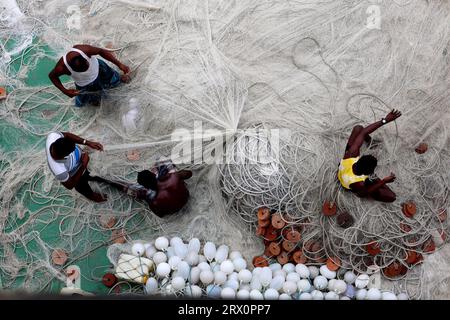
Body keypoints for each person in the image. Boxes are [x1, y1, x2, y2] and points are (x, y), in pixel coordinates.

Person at [338, 109, 402, 203]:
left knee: (358, 129)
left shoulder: (352, 154)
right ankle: (377, 181)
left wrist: (385, 120)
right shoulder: (359, 183)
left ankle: (372, 143)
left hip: (345, 169)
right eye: (373, 169)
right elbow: (362, 194)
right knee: (392, 197)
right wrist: (383, 181)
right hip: (348, 183)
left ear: (359, 159)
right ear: (368, 172)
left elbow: (364, 132)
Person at [92, 160, 192, 217]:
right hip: (186, 198)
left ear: (144, 186)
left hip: (171, 208)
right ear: (154, 174)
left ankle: (104, 179)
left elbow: (160, 214)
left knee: (127, 187)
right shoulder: (173, 178)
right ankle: (104, 179)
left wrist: (147, 198)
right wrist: (176, 175)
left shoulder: (153, 199)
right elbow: (189, 174)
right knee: (164, 162)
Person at [48, 44, 131, 107]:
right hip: (85, 83)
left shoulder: (83, 50)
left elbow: (101, 51)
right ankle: (94, 100)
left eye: (86, 65)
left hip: (99, 68)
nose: (87, 68)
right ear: (71, 69)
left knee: (112, 78)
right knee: (92, 98)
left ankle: (119, 79)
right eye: (82, 70)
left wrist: (119, 64)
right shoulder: (62, 68)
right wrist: (65, 91)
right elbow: (52, 76)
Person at [45, 131, 107, 202]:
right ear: (65, 155)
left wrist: (87, 142)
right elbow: (70, 185)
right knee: (82, 186)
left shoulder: (53, 136)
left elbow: (67, 135)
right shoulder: (59, 170)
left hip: (83, 160)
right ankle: (92, 196)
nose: (74, 150)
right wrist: (83, 165)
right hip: (76, 175)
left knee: (96, 174)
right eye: (72, 151)